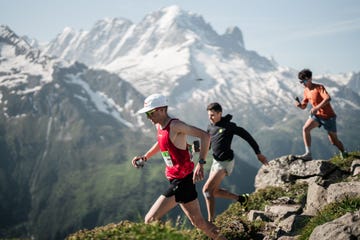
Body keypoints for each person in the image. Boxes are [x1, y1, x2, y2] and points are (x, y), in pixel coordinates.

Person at [131, 93, 226, 240]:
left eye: (150, 113)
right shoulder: (159, 126)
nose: (148, 117)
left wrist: (201, 163)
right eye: (146, 114)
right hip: (179, 180)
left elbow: (205, 136)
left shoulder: (175, 125)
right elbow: (161, 143)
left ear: (162, 110)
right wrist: (145, 157)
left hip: (181, 182)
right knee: (199, 222)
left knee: (149, 220)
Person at [203, 102, 268, 222]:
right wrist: (196, 149)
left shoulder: (229, 126)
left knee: (206, 190)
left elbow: (247, 136)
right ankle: (242, 199)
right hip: (215, 162)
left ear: (219, 113)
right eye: (209, 115)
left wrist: (258, 153)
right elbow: (209, 146)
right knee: (215, 191)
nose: (210, 117)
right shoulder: (210, 127)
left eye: (212, 115)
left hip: (225, 162)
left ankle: (210, 222)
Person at [295, 68, 347, 160]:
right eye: (301, 81)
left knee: (333, 141)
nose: (303, 83)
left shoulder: (319, 87)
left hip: (328, 117)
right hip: (317, 116)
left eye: (305, 80)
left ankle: (343, 151)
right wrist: (299, 105)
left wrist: (316, 108)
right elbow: (304, 106)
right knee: (305, 129)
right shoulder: (306, 91)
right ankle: (308, 153)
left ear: (310, 78)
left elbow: (328, 98)